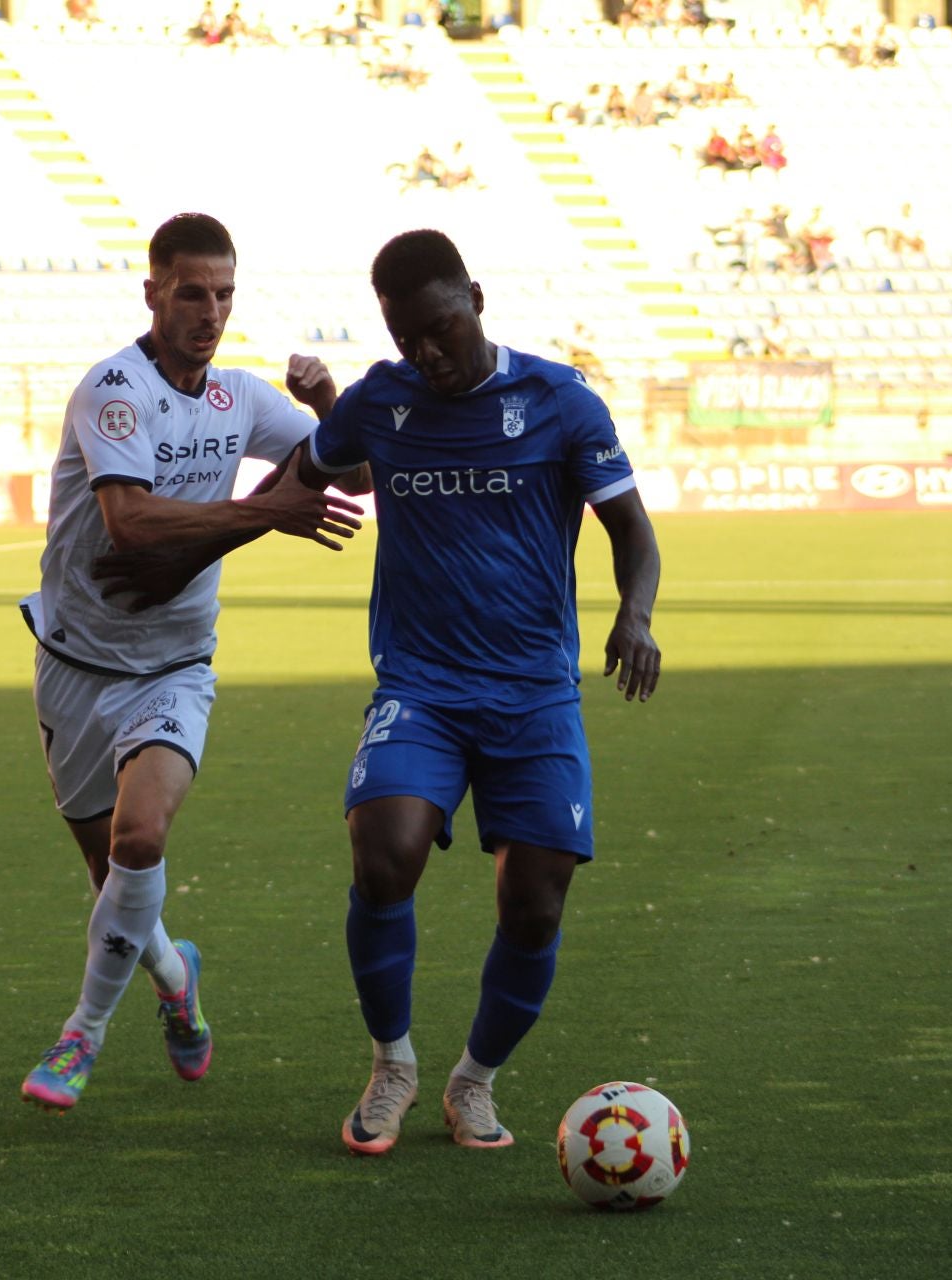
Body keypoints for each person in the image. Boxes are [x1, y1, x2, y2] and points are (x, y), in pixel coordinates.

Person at [298, 229, 662, 1156]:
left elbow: (632, 528)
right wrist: (222, 527)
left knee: (535, 902)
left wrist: (636, 615)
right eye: (405, 337)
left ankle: (474, 1082)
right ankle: (393, 1067)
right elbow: (324, 466)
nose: (426, 353)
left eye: (439, 329)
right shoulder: (385, 398)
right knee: (384, 854)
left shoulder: (560, 399)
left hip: (536, 690)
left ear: (477, 300)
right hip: (420, 683)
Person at [16, 213, 366, 1113]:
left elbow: (357, 471)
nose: (210, 312)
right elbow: (130, 522)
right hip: (75, 665)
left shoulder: (241, 399)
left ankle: (78, 1038)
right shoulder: (115, 393)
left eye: (224, 295)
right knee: (115, 886)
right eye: (191, 293)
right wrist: (266, 512)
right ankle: (176, 977)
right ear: (152, 293)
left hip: (175, 667)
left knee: (141, 841)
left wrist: (331, 402)